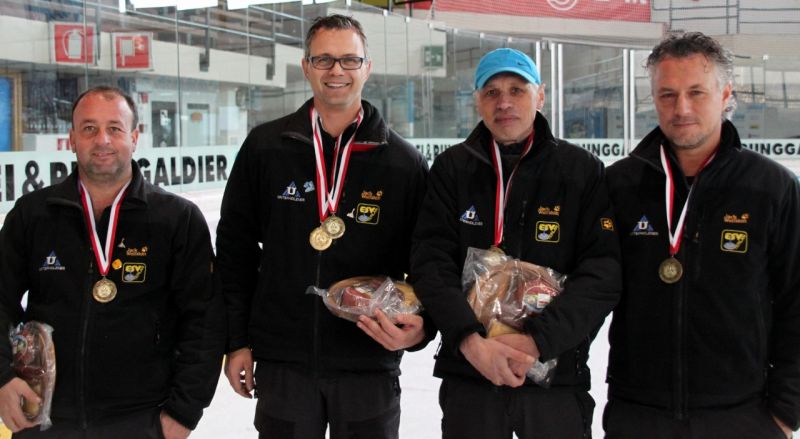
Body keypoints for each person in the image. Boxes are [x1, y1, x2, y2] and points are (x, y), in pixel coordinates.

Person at [216, 14, 431, 439]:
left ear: (367, 68)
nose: (337, 71)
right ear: (306, 67)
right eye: (324, 59)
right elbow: (235, 250)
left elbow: (428, 260)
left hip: (368, 361)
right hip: (284, 363)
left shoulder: (403, 163)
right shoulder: (265, 148)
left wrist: (423, 328)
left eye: (350, 60)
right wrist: (236, 340)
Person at [410, 48, 621, 438]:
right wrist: (469, 341)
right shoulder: (452, 169)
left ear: (540, 96)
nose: (504, 102)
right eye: (491, 92)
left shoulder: (580, 171)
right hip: (469, 376)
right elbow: (430, 263)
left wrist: (537, 342)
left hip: (554, 380)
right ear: (477, 101)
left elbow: (602, 273)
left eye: (517, 90)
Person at [604, 32, 800, 439]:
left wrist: (786, 412)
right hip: (638, 413)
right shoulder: (619, 185)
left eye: (696, 92)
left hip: (742, 414)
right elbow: (591, 284)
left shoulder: (771, 188)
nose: (682, 108)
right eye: (668, 95)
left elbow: (797, 299)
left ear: (726, 94)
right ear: (654, 98)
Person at [0, 86, 225, 438]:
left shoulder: (176, 219)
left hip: (142, 418)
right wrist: (3, 376)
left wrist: (184, 412)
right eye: (89, 128)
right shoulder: (33, 215)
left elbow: (204, 319)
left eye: (115, 128)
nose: (102, 140)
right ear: (72, 139)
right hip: (44, 416)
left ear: (134, 138)